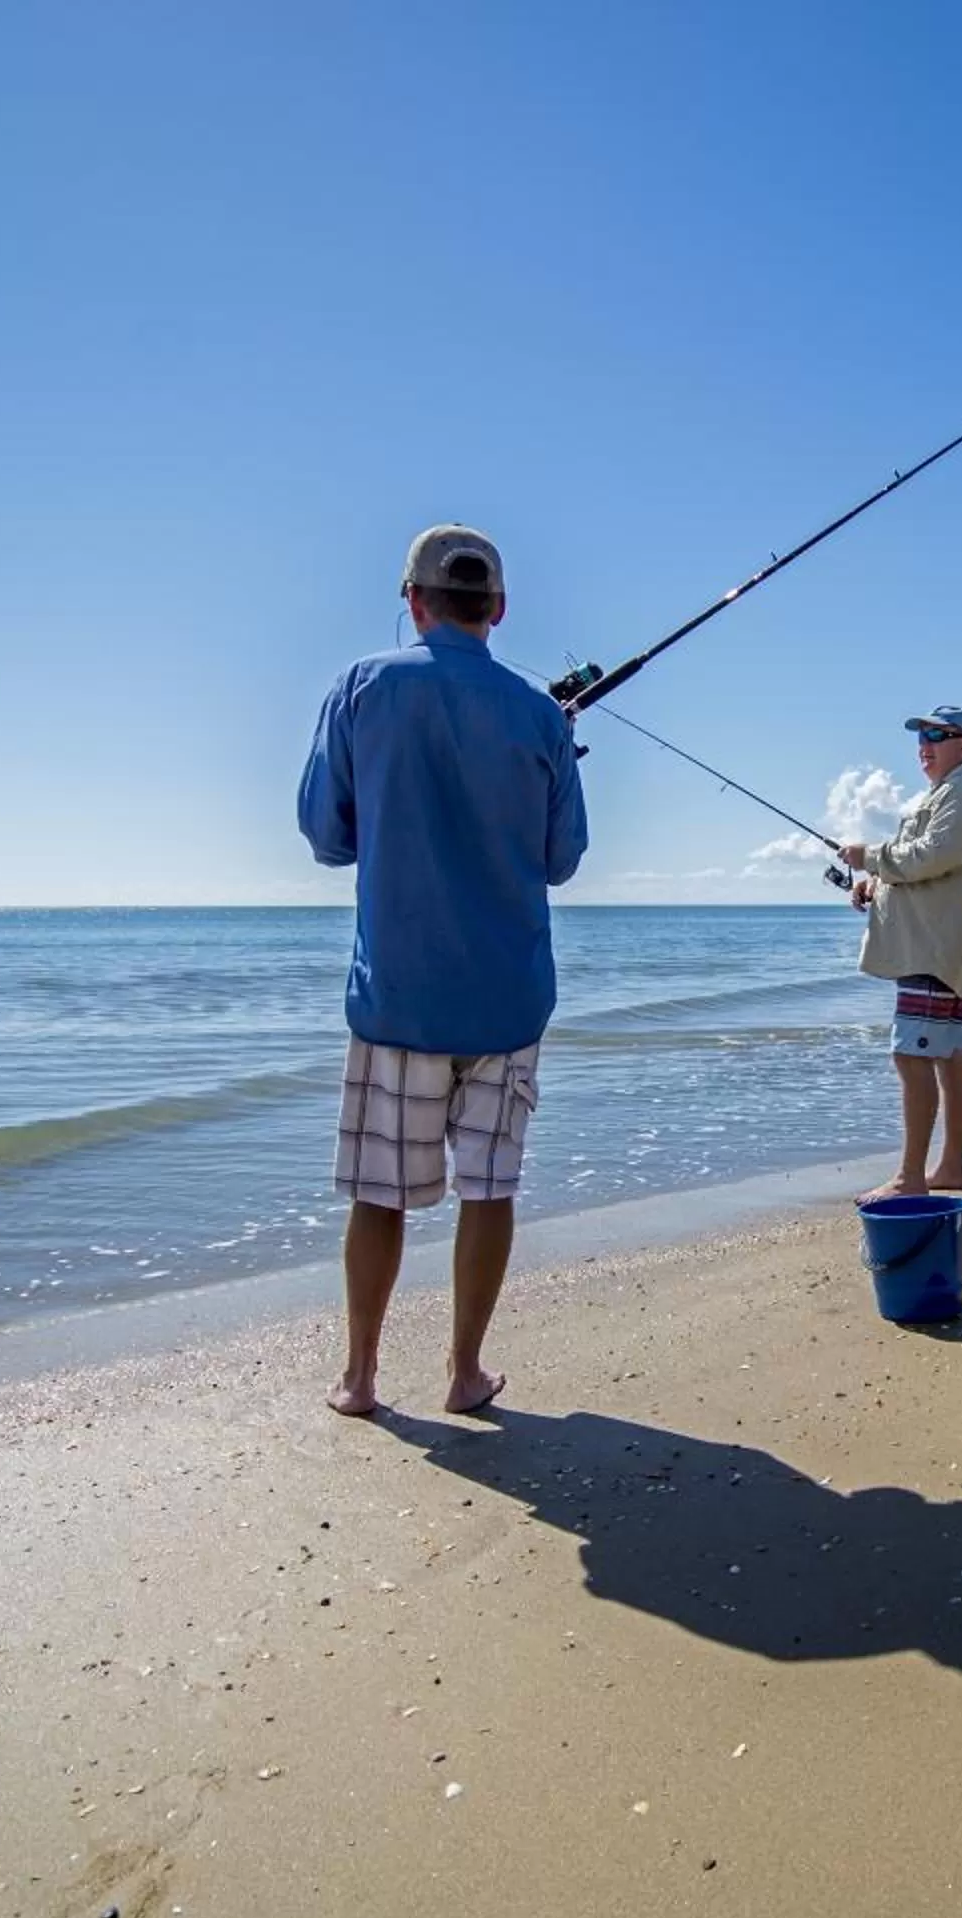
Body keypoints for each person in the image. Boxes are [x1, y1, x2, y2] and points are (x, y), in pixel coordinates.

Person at [297, 524, 587, 1419]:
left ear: (414, 602)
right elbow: (562, 858)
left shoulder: (361, 687)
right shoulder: (540, 712)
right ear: (496, 609)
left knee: (380, 1197)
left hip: (398, 997)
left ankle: (360, 1378)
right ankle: (464, 1373)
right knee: (489, 1189)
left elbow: (326, 836)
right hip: (507, 998)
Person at [837, 704, 962, 1199]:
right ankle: (949, 1167)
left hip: (931, 952)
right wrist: (876, 882)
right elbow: (927, 862)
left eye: (936, 734)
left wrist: (869, 857)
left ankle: (911, 1178)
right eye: (920, 736)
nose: (924, 745)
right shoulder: (953, 792)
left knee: (912, 1057)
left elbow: (935, 855)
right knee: (949, 1055)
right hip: (939, 949)